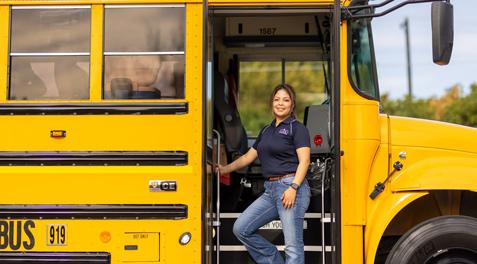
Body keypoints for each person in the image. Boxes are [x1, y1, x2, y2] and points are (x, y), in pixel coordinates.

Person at [218, 83, 311, 264]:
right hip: (271, 191)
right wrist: (223, 169)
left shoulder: (297, 128)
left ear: (292, 105)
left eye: (286, 100)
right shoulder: (266, 130)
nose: (280, 103)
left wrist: (293, 187)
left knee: (292, 245)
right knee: (241, 228)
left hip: (291, 188)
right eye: (277, 99)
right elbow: (247, 158)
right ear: (271, 103)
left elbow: (304, 161)